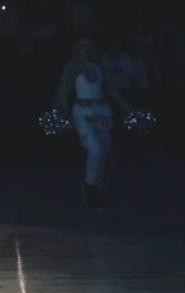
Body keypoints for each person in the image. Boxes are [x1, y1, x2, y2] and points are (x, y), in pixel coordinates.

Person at [54, 37, 134, 209]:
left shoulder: (100, 67)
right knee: (95, 149)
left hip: (102, 113)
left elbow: (113, 91)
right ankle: (89, 186)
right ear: (77, 47)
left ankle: (97, 188)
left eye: (89, 46)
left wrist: (131, 109)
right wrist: (58, 110)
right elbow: (63, 91)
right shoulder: (72, 66)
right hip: (82, 114)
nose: (86, 49)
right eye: (83, 45)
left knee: (103, 151)